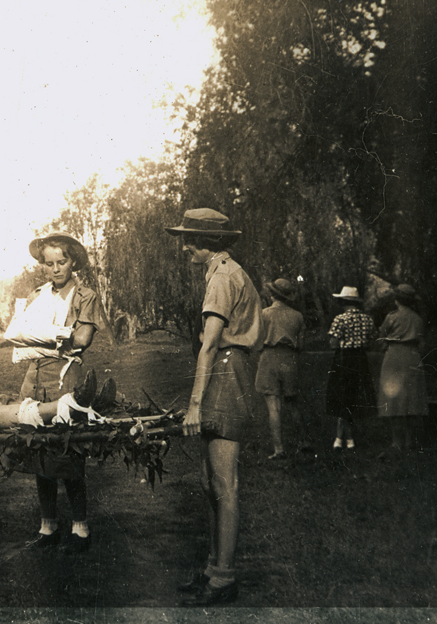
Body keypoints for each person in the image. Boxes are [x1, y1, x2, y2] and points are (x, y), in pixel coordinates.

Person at [167, 208, 261, 607]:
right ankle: (212, 569)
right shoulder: (221, 272)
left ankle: (224, 578)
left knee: (224, 484)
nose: (186, 246)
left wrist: (194, 405)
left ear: (210, 242)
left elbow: (209, 345)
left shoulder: (223, 277)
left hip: (226, 370)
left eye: (191, 239)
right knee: (210, 482)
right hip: (225, 370)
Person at [4, 232, 107, 555]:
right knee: (38, 448)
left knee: (68, 447)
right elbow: (16, 335)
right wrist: (58, 336)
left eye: (61, 262)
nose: (55, 269)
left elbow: (82, 339)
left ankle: (80, 525)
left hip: (65, 376)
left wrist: (39, 336)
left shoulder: (84, 296)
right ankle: (47, 524)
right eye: (48, 264)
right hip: (34, 377)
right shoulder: (38, 295)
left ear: (73, 261)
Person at [254, 278, 307, 459]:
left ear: (272, 295)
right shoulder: (297, 316)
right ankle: (304, 442)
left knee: (273, 406)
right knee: (293, 404)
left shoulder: (264, 314)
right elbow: (301, 345)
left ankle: (279, 449)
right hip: (290, 359)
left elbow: (257, 341)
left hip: (269, 358)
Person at [377, 284, 428, 452]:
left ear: (397, 300)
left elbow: (382, 336)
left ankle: (396, 442)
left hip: (394, 357)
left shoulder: (391, 317)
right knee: (411, 399)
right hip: (412, 357)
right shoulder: (418, 318)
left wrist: (386, 345)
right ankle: (409, 440)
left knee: (394, 399)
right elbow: (422, 343)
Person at [325, 286, 377, 450]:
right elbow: (371, 341)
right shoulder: (367, 319)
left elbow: (333, 343)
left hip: (344, 358)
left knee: (343, 396)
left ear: (343, 301)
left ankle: (343, 438)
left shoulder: (340, 319)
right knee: (353, 396)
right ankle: (347, 438)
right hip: (360, 358)